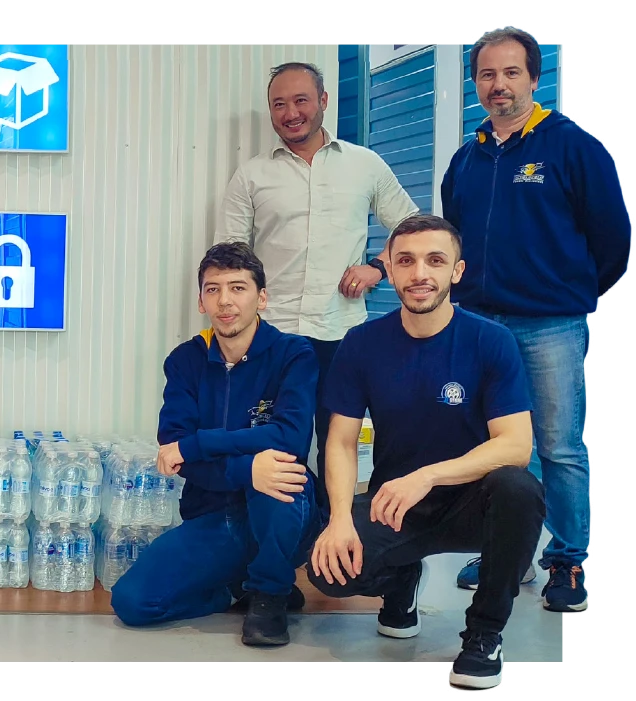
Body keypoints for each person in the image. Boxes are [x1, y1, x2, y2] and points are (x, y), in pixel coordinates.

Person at [309, 215, 542, 691]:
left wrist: (429, 475)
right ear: (389, 272)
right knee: (326, 571)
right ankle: (400, 579)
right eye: (406, 261)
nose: (420, 273)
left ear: (456, 271)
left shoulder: (489, 340)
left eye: (435, 260)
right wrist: (338, 519)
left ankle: (484, 635)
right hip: (397, 506)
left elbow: (517, 446)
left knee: (519, 489)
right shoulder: (362, 344)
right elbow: (340, 440)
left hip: (474, 503)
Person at [442, 26, 630, 611]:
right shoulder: (467, 157)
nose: (498, 86)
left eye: (510, 73)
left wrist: (567, 295)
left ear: (534, 77)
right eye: (487, 75)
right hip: (480, 326)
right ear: (476, 83)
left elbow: (614, 242)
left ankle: (569, 562)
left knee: (558, 446)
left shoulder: (574, 148)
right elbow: (457, 237)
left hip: (550, 325)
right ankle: (506, 551)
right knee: (493, 446)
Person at [218, 62, 418, 519]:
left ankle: (335, 533)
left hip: (341, 333)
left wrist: (378, 267)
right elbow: (229, 257)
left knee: (337, 441)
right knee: (271, 440)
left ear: (323, 101)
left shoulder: (365, 165)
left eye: (301, 100)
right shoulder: (251, 176)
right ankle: (273, 543)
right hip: (272, 335)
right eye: (279, 104)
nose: (291, 113)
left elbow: (413, 231)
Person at [110, 242, 320, 647]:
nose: (225, 301)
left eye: (238, 288)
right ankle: (237, 589)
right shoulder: (185, 361)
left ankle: (271, 594)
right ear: (202, 301)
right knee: (132, 603)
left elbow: (289, 438)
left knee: (277, 474)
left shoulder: (294, 354)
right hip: (213, 515)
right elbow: (174, 453)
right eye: (213, 289)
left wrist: (199, 444)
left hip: (284, 509)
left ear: (262, 297)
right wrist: (243, 467)